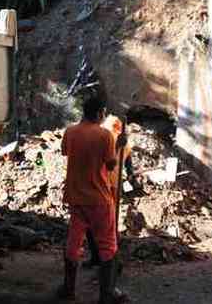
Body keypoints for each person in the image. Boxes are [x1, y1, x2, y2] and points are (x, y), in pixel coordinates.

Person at [58, 97, 127, 304]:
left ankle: (68, 290)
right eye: (103, 113)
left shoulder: (70, 131)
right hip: (98, 198)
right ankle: (107, 294)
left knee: (73, 244)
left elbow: (65, 151)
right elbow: (111, 165)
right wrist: (118, 146)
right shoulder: (105, 135)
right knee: (108, 246)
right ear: (98, 113)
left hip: (76, 197)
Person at [84, 115, 133, 269]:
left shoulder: (115, 142)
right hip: (105, 186)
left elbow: (123, 167)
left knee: (100, 225)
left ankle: (106, 259)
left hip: (105, 186)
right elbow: (121, 166)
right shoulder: (112, 142)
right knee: (102, 225)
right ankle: (102, 259)